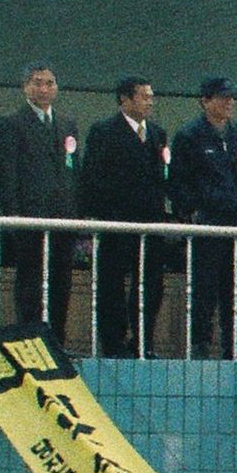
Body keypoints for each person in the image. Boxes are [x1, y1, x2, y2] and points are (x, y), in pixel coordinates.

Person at [78, 75, 173, 353]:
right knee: (113, 285)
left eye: (151, 97)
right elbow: (93, 177)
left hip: (152, 222)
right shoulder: (104, 131)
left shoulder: (157, 134)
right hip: (117, 221)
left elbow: (164, 175)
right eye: (143, 97)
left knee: (151, 285)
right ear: (125, 99)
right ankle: (113, 341)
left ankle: (144, 339)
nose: (149, 102)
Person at [0, 61, 84, 336]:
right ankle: (29, 337)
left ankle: (58, 338)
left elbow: (72, 170)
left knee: (61, 282)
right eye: (38, 82)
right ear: (25, 87)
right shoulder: (11, 123)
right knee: (30, 281)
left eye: (50, 83)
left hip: (64, 219)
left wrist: (75, 215)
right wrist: (14, 217)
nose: (44, 88)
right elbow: (8, 175)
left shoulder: (67, 123)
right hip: (29, 217)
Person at [172, 76, 237, 353]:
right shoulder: (189, 136)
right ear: (205, 101)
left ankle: (235, 346)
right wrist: (194, 211)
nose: (229, 103)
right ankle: (200, 345)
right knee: (204, 290)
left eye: (231, 98)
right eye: (222, 98)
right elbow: (178, 182)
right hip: (209, 227)